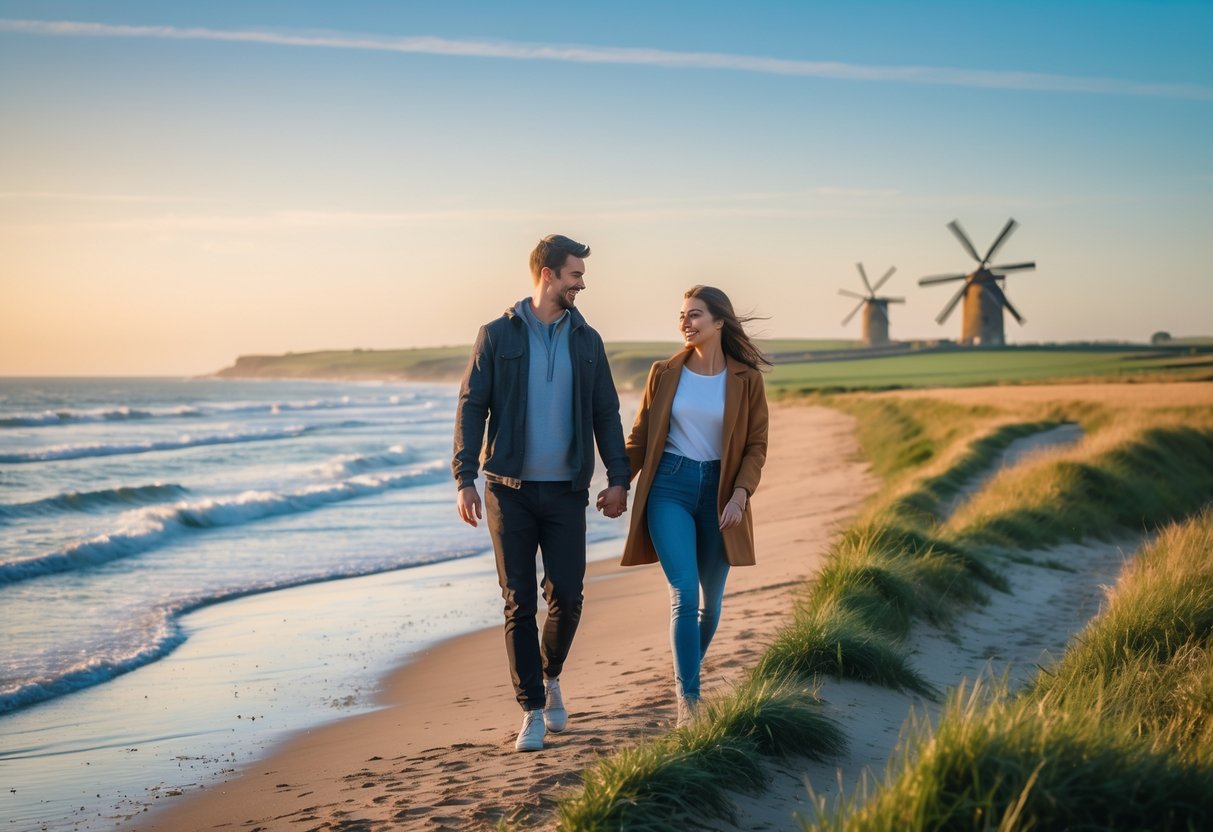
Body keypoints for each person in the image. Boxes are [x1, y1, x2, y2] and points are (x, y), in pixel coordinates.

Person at [453, 234, 630, 752]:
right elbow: (471, 407)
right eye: (575, 274)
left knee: (568, 597)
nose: (582, 283)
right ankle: (531, 708)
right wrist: (464, 478)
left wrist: (618, 478)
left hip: (566, 490)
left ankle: (551, 675)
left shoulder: (587, 339)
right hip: (507, 490)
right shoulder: (496, 335)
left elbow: (605, 413)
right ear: (548, 274)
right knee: (518, 601)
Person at [619, 285, 770, 726]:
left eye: (695, 315)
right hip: (669, 486)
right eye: (682, 315)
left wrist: (741, 495)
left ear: (719, 321)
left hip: (722, 494)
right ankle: (689, 700)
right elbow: (641, 437)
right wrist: (618, 483)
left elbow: (756, 447)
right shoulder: (664, 372)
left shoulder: (747, 380)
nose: (685, 322)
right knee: (683, 594)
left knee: (712, 607)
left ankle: (684, 670)